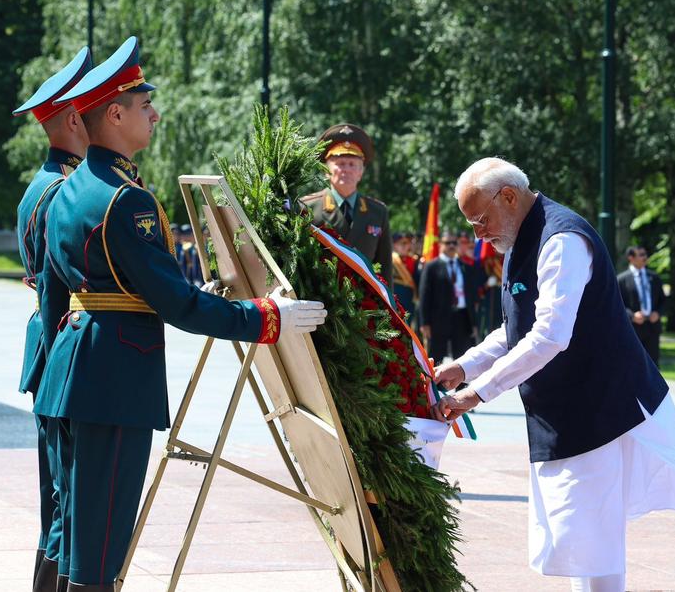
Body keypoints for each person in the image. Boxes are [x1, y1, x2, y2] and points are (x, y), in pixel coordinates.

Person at [36, 37, 326, 591]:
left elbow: (54, 298)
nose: (155, 114)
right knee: (100, 552)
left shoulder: (70, 190)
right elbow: (178, 305)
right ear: (114, 114)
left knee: (78, 539)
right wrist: (267, 319)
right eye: (145, 106)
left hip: (73, 377)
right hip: (114, 380)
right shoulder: (126, 200)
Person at [435, 158, 675, 592]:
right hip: (570, 413)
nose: (477, 234)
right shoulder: (517, 236)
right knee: (585, 542)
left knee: (590, 541)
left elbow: (551, 335)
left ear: (509, 197)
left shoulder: (562, 240)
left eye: (480, 220)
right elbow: (515, 326)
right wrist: (464, 366)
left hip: (599, 412)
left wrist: (475, 394)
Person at [11, 46, 93, 592]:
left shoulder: (39, 186)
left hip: (46, 343)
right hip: (64, 348)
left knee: (57, 496)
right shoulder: (65, 189)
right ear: (71, 119)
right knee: (69, 497)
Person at [300, 124, 392, 278]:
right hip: (322, 299)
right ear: (326, 170)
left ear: (361, 172)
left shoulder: (378, 212)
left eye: (352, 164)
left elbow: (385, 268)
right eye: (340, 164)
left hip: (365, 300)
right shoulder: (306, 208)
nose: (346, 169)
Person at [418, 232, 477, 362]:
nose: (451, 246)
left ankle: (461, 383)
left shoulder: (464, 266)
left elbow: (471, 296)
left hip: (461, 317)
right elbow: (424, 296)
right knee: (436, 357)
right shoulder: (431, 267)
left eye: (454, 243)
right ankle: (435, 382)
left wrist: (473, 322)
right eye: (447, 243)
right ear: (440, 245)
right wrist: (424, 322)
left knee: (462, 357)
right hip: (439, 318)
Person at [617, 245, 665, 365]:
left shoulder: (653, 277)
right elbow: (618, 304)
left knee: (653, 365)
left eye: (645, 254)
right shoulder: (621, 280)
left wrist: (658, 313)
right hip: (633, 328)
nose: (645, 257)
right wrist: (632, 316)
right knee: (633, 364)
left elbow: (663, 301)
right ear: (631, 258)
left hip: (652, 327)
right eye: (641, 255)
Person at [390, 232, 418, 321]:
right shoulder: (391, 260)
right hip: (395, 298)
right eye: (402, 243)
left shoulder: (414, 260)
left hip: (409, 300)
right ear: (394, 245)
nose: (406, 246)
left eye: (407, 243)